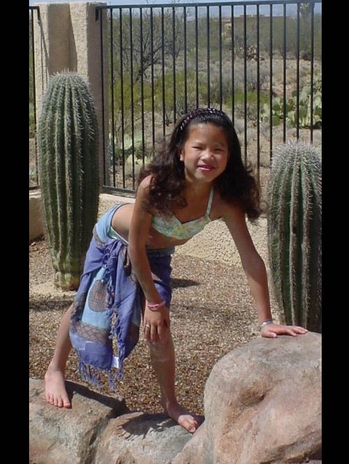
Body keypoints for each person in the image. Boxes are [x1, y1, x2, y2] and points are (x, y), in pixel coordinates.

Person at [44, 107, 308, 434]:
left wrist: (266, 321)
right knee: (87, 304)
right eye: (198, 147)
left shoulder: (225, 200)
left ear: (229, 156)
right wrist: (152, 303)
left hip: (156, 254)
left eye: (218, 149)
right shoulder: (154, 187)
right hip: (115, 238)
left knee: (160, 328)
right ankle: (55, 369)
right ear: (181, 152)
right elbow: (135, 247)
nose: (207, 156)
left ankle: (169, 402)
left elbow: (251, 258)